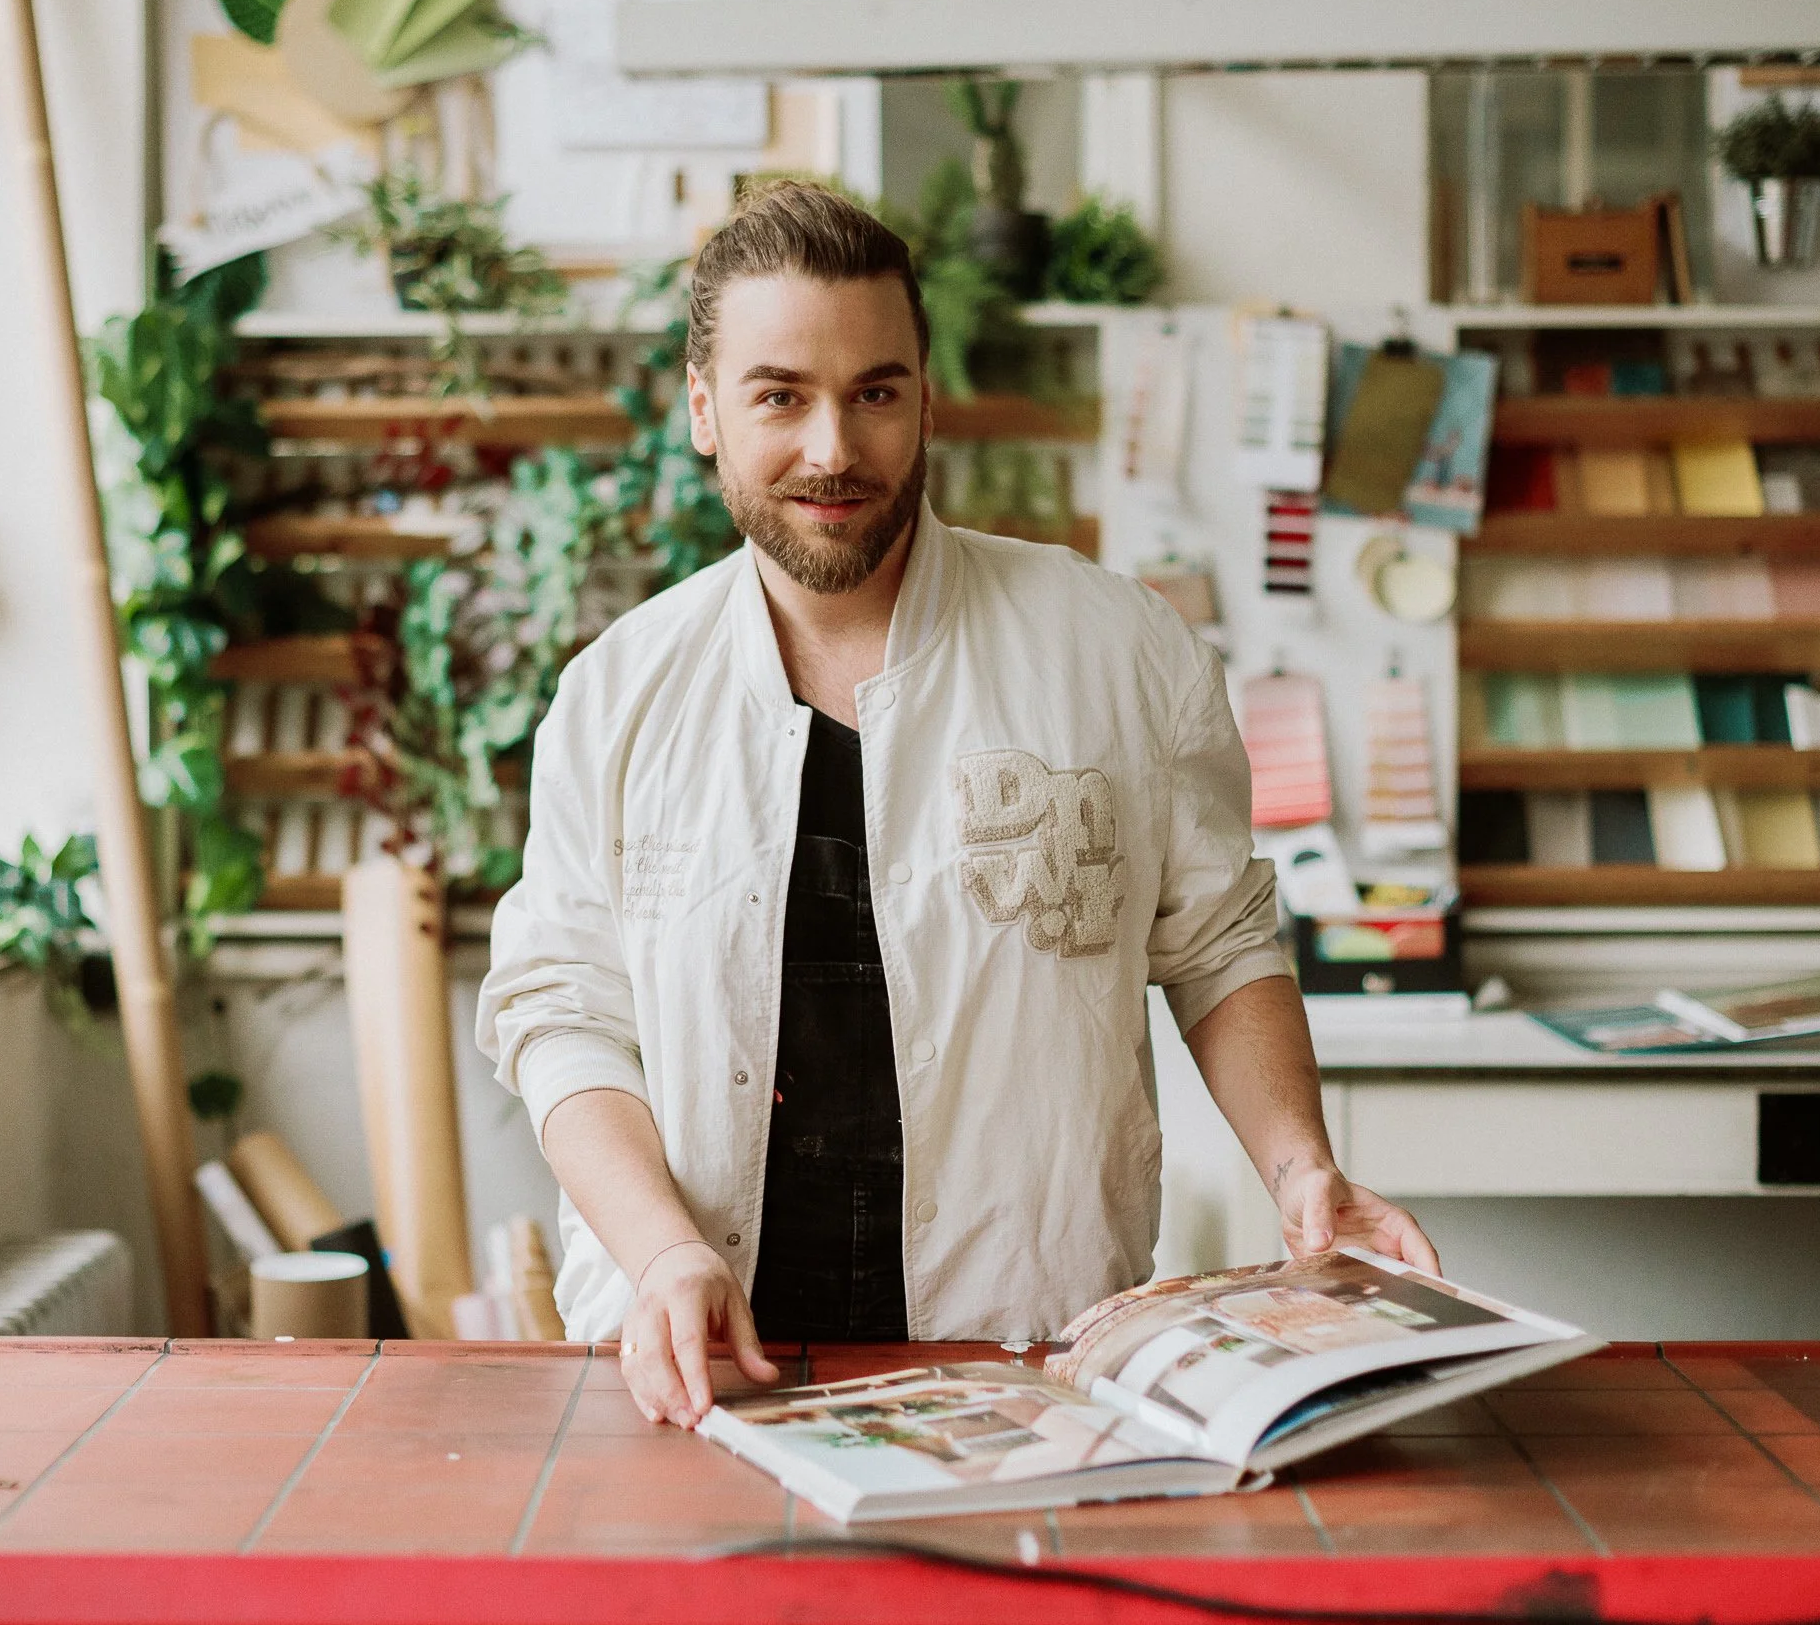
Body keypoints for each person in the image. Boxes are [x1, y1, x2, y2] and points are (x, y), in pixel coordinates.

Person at [475, 180, 1436, 1429]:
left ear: (925, 397)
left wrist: (1305, 1171)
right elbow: (565, 1016)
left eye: (874, 391)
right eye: (782, 395)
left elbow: (1216, 941)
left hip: (1024, 1352)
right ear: (704, 410)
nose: (833, 447)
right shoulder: (618, 694)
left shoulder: (1117, 647)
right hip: (702, 1358)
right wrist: (662, 1251)